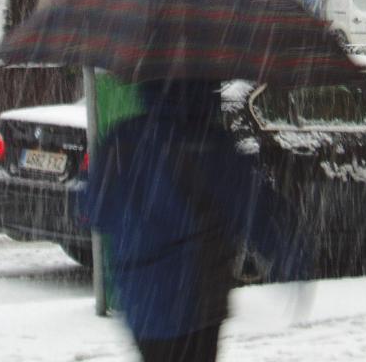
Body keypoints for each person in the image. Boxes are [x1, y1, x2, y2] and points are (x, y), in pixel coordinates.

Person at [86, 79, 308, 362]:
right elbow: (255, 210)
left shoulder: (123, 139)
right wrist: (290, 257)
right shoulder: (214, 145)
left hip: (142, 301)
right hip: (198, 300)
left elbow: (95, 211)